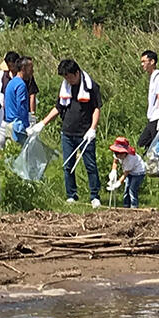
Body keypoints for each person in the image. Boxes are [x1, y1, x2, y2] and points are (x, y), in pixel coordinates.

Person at [29, 59, 102, 207]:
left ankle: (94, 196)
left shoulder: (90, 86)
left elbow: (96, 108)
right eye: (65, 77)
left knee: (90, 165)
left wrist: (92, 128)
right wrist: (42, 123)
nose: (68, 80)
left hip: (85, 132)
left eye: (69, 76)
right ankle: (71, 195)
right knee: (68, 164)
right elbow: (59, 108)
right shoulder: (65, 87)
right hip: (67, 132)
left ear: (77, 73)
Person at [137, 50, 159, 150]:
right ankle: (153, 163)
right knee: (143, 142)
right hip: (152, 118)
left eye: (144, 61)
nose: (142, 64)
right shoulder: (153, 77)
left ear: (152, 62)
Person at [3, 56, 33, 146]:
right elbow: (21, 107)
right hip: (18, 125)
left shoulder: (12, 82)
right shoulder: (21, 85)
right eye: (31, 68)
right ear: (24, 68)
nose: (32, 71)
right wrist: (27, 125)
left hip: (9, 123)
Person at [108, 137, 146, 208]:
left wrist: (118, 182)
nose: (119, 156)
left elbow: (126, 173)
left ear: (125, 152)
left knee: (132, 189)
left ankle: (134, 206)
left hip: (138, 172)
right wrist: (113, 171)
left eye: (121, 154)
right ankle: (126, 205)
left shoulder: (130, 158)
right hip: (130, 172)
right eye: (117, 153)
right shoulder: (117, 154)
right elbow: (115, 162)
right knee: (126, 188)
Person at [0, 52, 20, 151]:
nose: (11, 69)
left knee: (14, 143)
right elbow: (1, 94)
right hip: (4, 114)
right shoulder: (2, 75)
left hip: (17, 115)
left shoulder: (22, 76)